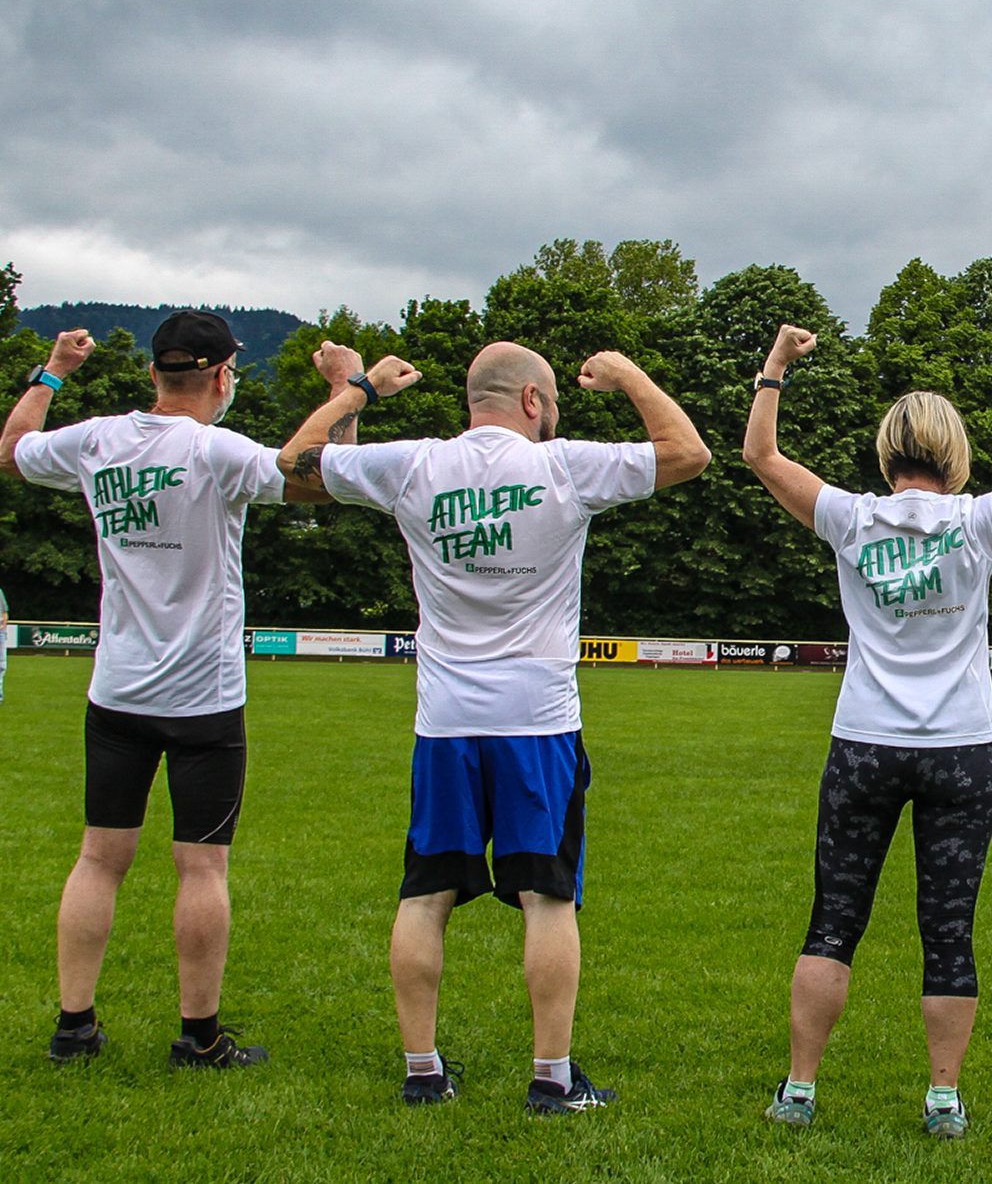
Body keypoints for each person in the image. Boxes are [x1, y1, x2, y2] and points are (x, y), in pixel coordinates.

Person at [278, 339, 708, 1113]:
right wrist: (625, 375)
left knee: (426, 892)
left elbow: (300, 466)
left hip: (445, 722)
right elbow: (688, 453)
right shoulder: (563, 467)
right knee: (547, 899)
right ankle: (550, 1079)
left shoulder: (414, 465)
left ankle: (423, 1072)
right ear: (534, 402)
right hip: (537, 722)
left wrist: (355, 391)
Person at [743, 322, 992, 1139]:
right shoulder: (977, 522)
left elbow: (760, 456)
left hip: (863, 746)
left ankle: (800, 1090)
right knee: (948, 930)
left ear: (885, 453)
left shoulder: (850, 518)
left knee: (834, 918)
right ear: (955, 453)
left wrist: (777, 366)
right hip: (960, 753)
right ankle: (942, 1099)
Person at [0, 313, 369, 1068]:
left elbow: (10, 451)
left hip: (117, 691)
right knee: (201, 867)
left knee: (99, 858)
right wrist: (347, 390)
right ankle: (198, 1038)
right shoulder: (215, 449)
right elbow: (316, 477)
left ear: (153, 374)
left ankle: (75, 1026)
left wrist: (53, 371)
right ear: (224, 377)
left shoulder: (97, 439)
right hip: (203, 697)